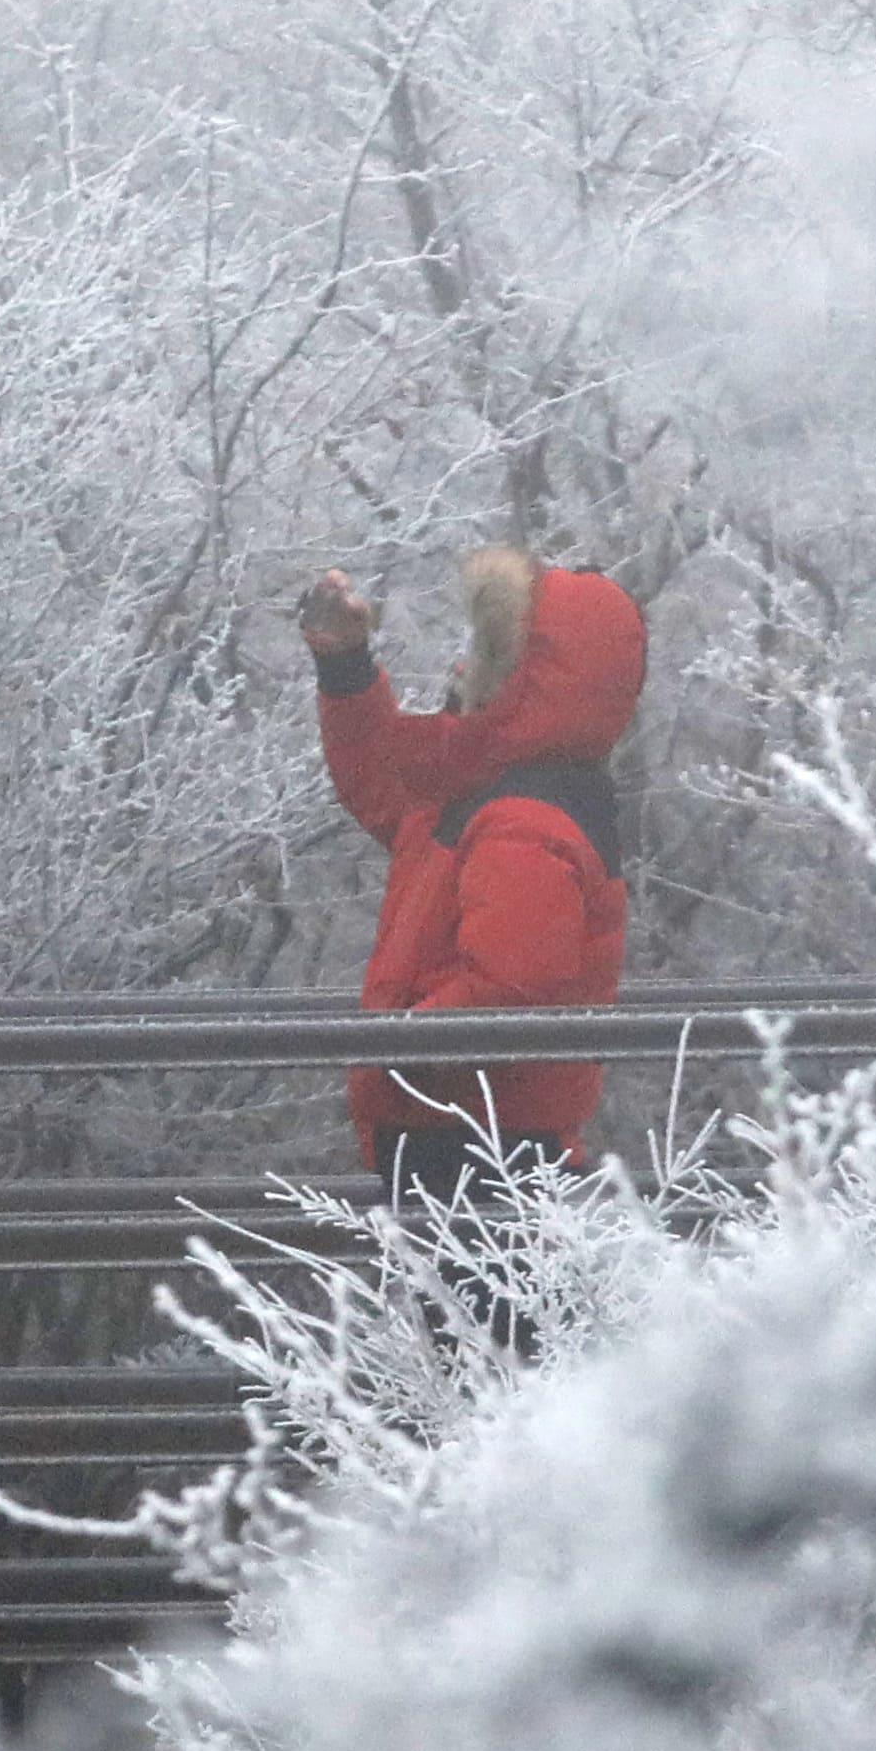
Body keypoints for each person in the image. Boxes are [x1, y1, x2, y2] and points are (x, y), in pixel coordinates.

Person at [298, 546, 646, 1331]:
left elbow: (509, 989)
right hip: (461, 1134)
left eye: (485, 649)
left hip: (478, 1148)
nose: (459, 663)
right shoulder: (489, 792)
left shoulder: (522, 824)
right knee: (482, 1366)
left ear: (523, 675)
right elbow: (388, 783)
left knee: (487, 1369)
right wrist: (347, 671)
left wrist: (402, 1044)